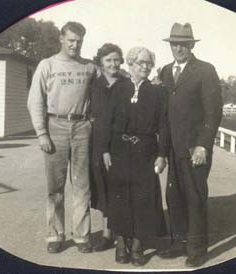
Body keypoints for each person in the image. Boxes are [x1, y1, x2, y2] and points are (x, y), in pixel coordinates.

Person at [157, 23, 223, 267]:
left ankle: (197, 249)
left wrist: (203, 146)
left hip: (194, 149)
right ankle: (178, 243)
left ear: (192, 45)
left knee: (195, 198)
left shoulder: (205, 71)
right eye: (174, 44)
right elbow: (163, 116)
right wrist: (161, 152)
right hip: (173, 149)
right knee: (173, 195)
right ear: (170, 45)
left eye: (184, 44)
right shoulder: (164, 71)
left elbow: (213, 113)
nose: (179, 48)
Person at [27, 21, 96, 254]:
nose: (75, 45)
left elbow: (104, 94)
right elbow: (35, 100)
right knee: (55, 187)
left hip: (82, 127)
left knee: (82, 185)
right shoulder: (47, 65)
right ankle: (55, 234)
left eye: (79, 41)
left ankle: (82, 236)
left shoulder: (89, 67)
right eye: (71, 40)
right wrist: (41, 133)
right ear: (61, 38)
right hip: (55, 125)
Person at [101, 47, 169, 266]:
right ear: (130, 63)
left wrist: (162, 154)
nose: (146, 67)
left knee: (144, 199)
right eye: (141, 63)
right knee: (120, 197)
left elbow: (164, 125)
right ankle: (122, 243)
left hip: (146, 150)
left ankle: (138, 245)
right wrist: (105, 149)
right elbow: (106, 120)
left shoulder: (157, 91)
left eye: (149, 63)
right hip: (120, 149)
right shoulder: (118, 88)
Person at [89, 43, 125, 252]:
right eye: (108, 60)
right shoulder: (94, 86)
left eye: (116, 59)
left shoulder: (127, 84)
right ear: (100, 63)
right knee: (103, 189)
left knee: (121, 189)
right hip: (99, 144)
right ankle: (106, 234)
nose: (113, 63)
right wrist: (103, 149)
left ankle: (122, 235)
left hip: (122, 146)